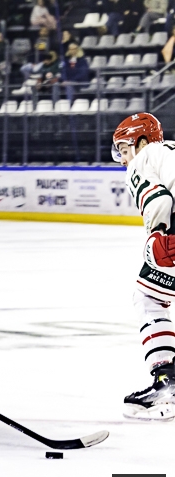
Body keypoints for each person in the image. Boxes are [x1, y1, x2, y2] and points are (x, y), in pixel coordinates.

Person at [111, 113, 175, 421]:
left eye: (124, 149)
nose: (124, 159)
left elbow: (158, 202)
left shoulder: (145, 158)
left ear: (143, 141)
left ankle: (167, 384)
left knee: (148, 298)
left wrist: (157, 237)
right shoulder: (171, 151)